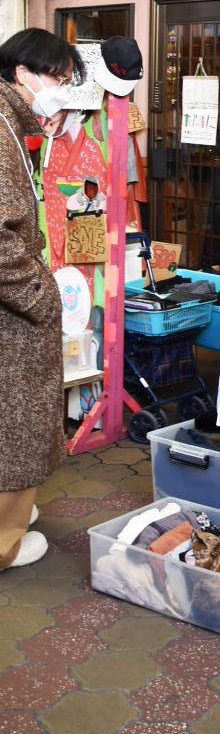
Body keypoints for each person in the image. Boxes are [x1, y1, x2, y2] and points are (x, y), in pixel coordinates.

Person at [0, 28, 84, 570]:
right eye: (58, 77)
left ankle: (12, 517)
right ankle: (3, 546)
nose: (62, 89)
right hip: (13, 314)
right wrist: (43, 296)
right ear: (22, 74)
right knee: (16, 430)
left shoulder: (11, 125)